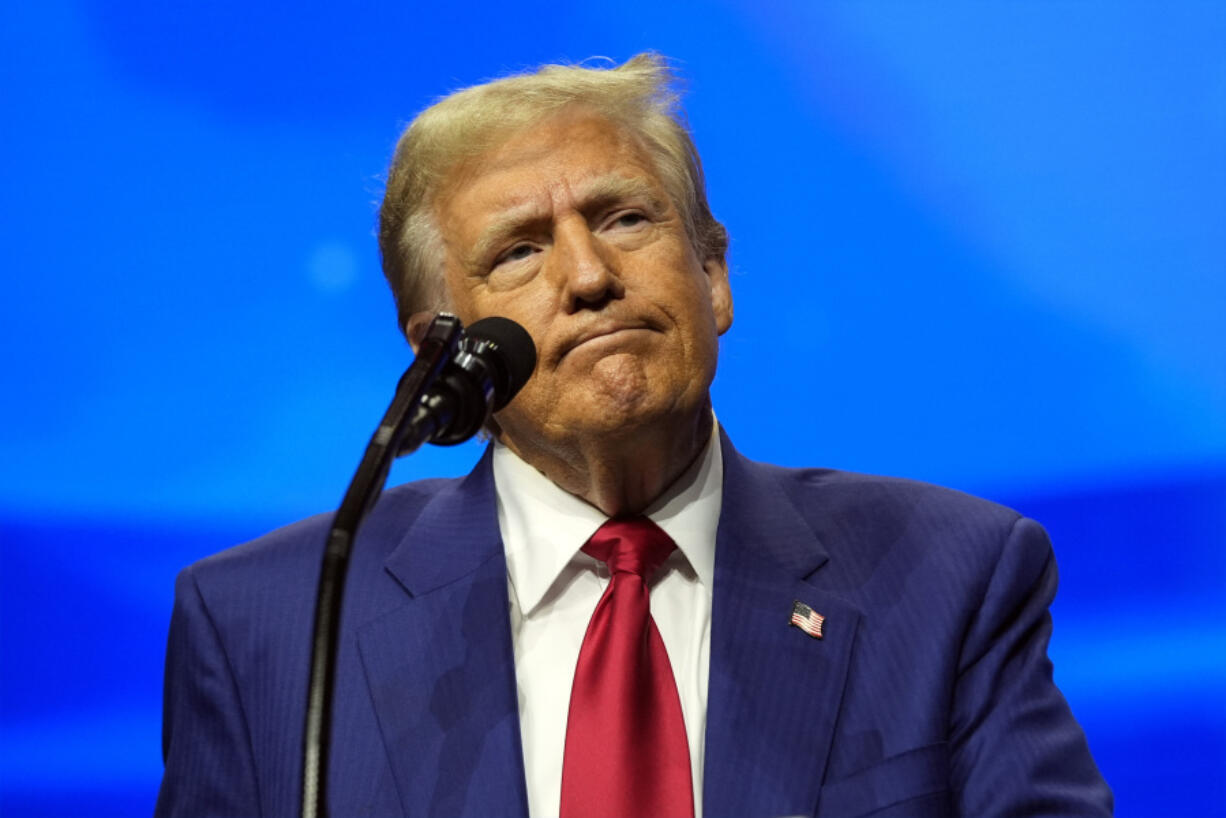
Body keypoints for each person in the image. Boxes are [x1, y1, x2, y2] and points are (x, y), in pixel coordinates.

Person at [156, 54, 1112, 817]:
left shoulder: (949, 577)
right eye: (520, 249)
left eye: (625, 217)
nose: (588, 276)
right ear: (444, 355)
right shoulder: (269, 628)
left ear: (715, 275)